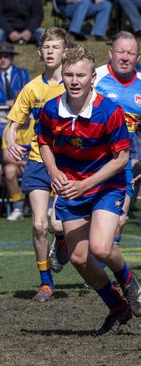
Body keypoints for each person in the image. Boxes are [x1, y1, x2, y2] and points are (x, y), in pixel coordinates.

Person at [38, 45, 141, 335]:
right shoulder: (51, 110)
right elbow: (43, 141)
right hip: (72, 190)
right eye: (69, 74)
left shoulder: (109, 112)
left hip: (105, 187)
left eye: (80, 75)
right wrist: (54, 172)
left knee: (100, 247)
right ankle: (118, 308)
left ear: (91, 78)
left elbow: (121, 158)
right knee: (80, 258)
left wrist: (86, 183)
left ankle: (129, 279)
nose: (74, 80)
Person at [4, 27, 68, 302]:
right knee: (39, 225)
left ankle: (62, 242)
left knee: (59, 225)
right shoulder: (32, 88)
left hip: (69, 163)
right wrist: (10, 142)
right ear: (40, 52)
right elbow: (11, 125)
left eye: (56, 47)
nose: (51, 51)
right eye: (47, 47)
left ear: (65, 52)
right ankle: (45, 282)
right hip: (37, 161)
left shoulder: (75, 83)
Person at [94, 31, 141, 266]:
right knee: (59, 224)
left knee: (120, 219)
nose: (125, 57)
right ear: (111, 53)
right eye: (121, 51)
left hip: (121, 164)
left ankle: (101, 268)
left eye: (130, 53)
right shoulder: (95, 77)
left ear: (138, 56)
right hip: (87, 163)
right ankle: (61, 239)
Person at [0, 42, 30, 137]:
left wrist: (16, 102)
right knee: (2, 131)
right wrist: (4, 103)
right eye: (0, 57)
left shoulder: (22, 74)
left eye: (6, 57)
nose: (2, 60)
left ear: (12, 58)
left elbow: (28, 95)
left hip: (20, 113)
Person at [2, 119, 34, 221]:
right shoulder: (9, 128)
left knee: (51, 167)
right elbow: (6, 156)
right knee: (9, 170)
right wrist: (22, 163)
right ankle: (18, 208)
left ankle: (49, 207)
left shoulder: (37, 124)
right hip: (19, 164)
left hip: (36, 163)